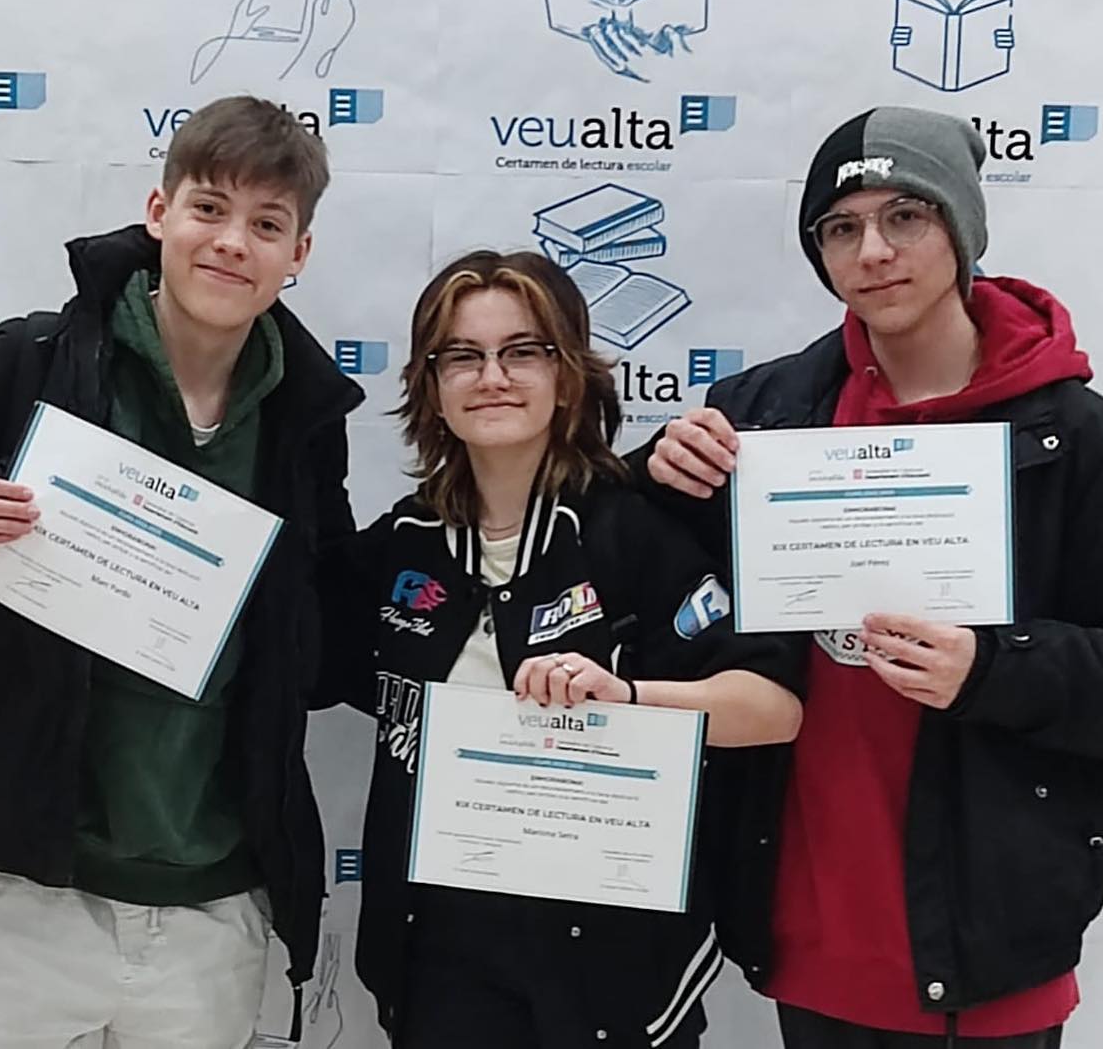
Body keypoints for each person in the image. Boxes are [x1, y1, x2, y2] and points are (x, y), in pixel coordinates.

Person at [637, 107, 1103, 1048]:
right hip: (809, 934)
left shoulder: (1078, 438)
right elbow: (645, 578)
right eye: (841, 227)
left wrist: (990, 667)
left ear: (962, 229)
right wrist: (654, 470)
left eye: (905, 215)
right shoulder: (765, 414)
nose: (873, 251)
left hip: (988, 953)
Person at [0, 95, 361, 1049]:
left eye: (267, 224)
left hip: (212, 897)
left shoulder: (303, 421)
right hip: (23, 888)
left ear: (299, 254)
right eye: (209, 208)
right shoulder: (34, 357)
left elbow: (318, 635)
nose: (232, 242)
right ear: (159, 213)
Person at [318, 249, 805, 1048]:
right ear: (431, 387)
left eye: (522, 351)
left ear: (568, 375)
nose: (493, 377)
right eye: (462, 356)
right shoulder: (403, 543)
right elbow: (290, 650)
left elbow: (773, 706)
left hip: (611, 976)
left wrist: (629, 699)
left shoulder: (628, 531)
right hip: (440, 964)